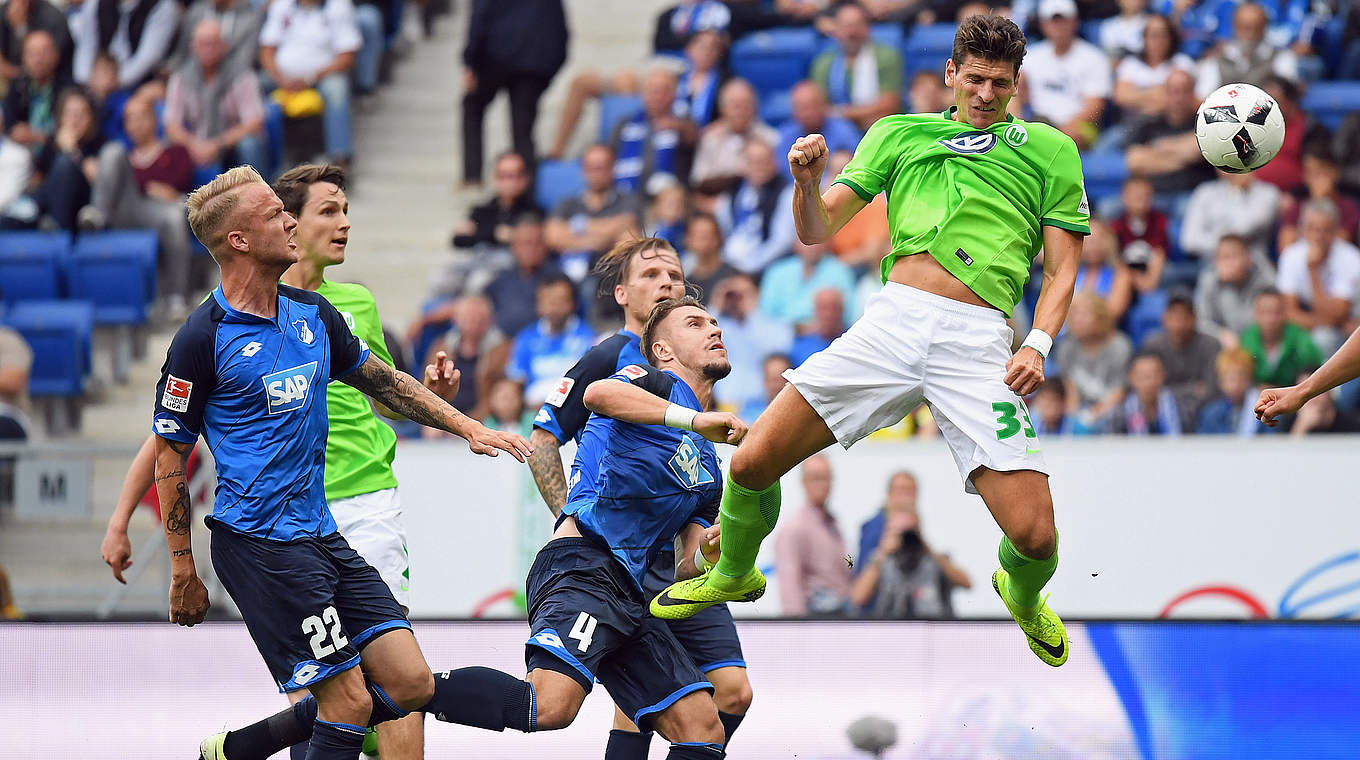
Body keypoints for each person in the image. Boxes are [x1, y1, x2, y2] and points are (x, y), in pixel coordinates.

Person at [654, 14, 1088, 669]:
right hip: (893, 323)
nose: (985, 94)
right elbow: (816, 229)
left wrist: (1038, 344)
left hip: (977, 342)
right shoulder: (898, 133)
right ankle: (734, 573)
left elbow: (1063, 269)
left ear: (1016, 82)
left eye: (999, 83)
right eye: (974, 79)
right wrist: (805, 183)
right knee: (749, 465)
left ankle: (1023, 598)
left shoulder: (1051, 149)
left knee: (1034, 534)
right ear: (951, 73)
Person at [148, 166, 528, 760]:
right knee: (348, 703)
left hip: (322, 533)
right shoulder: (202, 336)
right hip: (262, 546)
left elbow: (388, 384)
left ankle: (247, 746)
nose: (291, 221)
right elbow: (169, 454)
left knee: (410, 685)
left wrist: (468, 426)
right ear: (240, 241)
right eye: (277, 213)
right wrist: (181, 570)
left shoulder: (314, 315)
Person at [526, 239, 754, 758]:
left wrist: (724, 553)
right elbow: (544, 439)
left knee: (732, 694)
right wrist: (576, 520)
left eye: (674, 273)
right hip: (611, 549)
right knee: (637, 704)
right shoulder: (613, 357)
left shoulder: (695, 360)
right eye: (651, 274)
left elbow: (696, 470)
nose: (667, 282)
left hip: (670, 544)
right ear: (623, 293)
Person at [81, 96, 195, 313]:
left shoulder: (175, 152)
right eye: (129, 119)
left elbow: (184, 191)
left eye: (141, 117)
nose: (135, 124)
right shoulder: (120, 159)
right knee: (111, 150)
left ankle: (176, 296)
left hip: (160, 213)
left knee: (173, 214)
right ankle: (96, 217)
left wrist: (170, 194)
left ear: (154, 119)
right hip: (123, 211)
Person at [547, 28, 725, 162]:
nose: (706, 52)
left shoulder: (722, 83)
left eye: (712, 48)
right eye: (701, 46)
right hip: (654, 126)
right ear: (689, 49)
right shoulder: (680, 76)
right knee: (619, 79)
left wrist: (682, 126)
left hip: (690, 139)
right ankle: (557, 151)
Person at [460, 0, 568, 185]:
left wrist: (471, 61)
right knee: (523, 131)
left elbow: (479, 17)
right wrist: (548, 70)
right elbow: (561, 31)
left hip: (494, 58)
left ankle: (472, 176)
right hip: (533, 63)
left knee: (473, 109)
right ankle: (528, 188)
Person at [259, 0, 362, 166]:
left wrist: (310, 78)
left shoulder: (339, 6)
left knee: (337, 89)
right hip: (281, 77)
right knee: (252, 86)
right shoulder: (282, 5)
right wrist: (280, 78)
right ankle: (265, 165)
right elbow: (266, 50)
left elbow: (347, 55)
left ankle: (340, 159)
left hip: (321, 76)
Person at [164, 17, 269, 173]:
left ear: (224, 46)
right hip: (196, 144)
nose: (207, 50)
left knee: (249, 144)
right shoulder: (181, 77)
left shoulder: (243, 75)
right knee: (170, 148)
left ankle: (258, 192)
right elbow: (172, 126)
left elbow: (254, 123)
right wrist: (194, 145)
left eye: (212, 44)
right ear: (193, 46)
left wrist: (218, 144)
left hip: (232, 146)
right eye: (202, 44)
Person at [851, 488, 971, 618]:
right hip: (892, 631)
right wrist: (882, 552)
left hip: (932, 630)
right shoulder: (881, 561)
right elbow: (857, 598)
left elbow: (967, 583)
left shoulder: (934, 560)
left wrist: (926, 546)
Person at [545, 144, 644, 281]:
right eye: (590, 168)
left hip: (609, 276)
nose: (596, 174)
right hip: (566, 275)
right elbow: (553, 237)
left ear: (612, 168)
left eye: (601, 167)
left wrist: (576, 229)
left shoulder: (628, 200)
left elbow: (628, 236)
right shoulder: (567, 203)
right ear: (583, 170)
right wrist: (606, 238)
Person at [1020, 0, 1111, 149]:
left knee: (1071, 136)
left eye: (1063, 20)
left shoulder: (1094, 57)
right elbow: (1016, 91)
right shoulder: (1031, 56)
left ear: (1075, 22)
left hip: (1078, 126)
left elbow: (1095, 106)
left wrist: (1057, 131)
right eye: (1054, 21)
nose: (1058, 26)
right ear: (1044, 24)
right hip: (1038, 121)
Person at [1275, 198, 1360, 354]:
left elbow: (1337, 314)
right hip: (1314, 324)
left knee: (1322, 338)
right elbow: (1289, 312)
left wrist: (1313, 271)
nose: (1318, 236)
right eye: (1312, 228)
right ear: (1302, 229)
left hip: (1349, 328)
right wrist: (1323, 321)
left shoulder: (1351, 258)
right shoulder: (1291, 255)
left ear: (1335, 231)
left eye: (1324, 230)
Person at [808, 1, 902, 132]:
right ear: (836, 29)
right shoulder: (824, 62)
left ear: (868, 27)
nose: (852, 32)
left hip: (876, 128)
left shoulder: (886, 56)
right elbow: (818, 107)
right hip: (835, 131)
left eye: (857, 25)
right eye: (846, 26)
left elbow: (889, 105)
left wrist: (843, 113)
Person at [709, 272, 792, 418]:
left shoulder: (775, 325)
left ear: (757, 294)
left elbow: (777, 352)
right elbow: (701, 340)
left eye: (745, 293)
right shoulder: (722, 326)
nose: (739, 299)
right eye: (734, 294)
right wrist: (718, 304)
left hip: (762, 406)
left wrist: (752, 313)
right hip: (724, 407)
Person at [506, 274, 597, 407]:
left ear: (573, 304)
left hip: (572, 409)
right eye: (548, 301)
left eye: (560, 300)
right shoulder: (526, 338)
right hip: (531, 412)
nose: (554, 307)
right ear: (538, 305)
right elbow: (515, 382)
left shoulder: (588, 336)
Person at [1123, 69, 1214, 200]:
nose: (1179, 98)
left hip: (1191, 195)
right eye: (1174, 91)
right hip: (1151, 196)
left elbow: (1196, 150)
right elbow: (1135, 162)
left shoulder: (1203, 122)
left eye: (1185, 91)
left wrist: (1158, 149)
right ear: (1165, 94)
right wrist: (1183, 158)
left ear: (1193, 94)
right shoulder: (1149, 122)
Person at [1052, 292, 1132, 434]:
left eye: (1083, 315)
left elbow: (1119, 392)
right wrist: (1073, 418)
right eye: (1074, 315)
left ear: (1100, 317)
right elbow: (1070, 390)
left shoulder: (1119, 346)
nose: (1077, 320)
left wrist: (1093, 415)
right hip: (1082, 409)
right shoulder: (1066, 347)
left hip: (1112, 410)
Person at [610, 67, 697, 196]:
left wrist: (679, 126)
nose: (657, 97)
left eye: (663, 91)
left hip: (669, 200)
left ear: (674, 95)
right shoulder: (626, 124)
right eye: (652, 91)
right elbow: (610, 156)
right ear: (642, 95)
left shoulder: (684, 122)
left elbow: (694, 138)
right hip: (629, 198)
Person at [714, 139, 795, 275]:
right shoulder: (731, 194)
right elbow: (725, 230)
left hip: (767, 268)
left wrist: (750, 266)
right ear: (743, 164)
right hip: (730, 264)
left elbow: (782, 241)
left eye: (765, 161)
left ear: (775, 163)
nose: (760, 167)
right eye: (754, 162)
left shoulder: (786, 193)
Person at [1141, 293, 1221, 428]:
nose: (1178, 323)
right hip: (1160, 411)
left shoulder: (1210, 345)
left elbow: (1211, 390)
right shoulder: (1152, 345)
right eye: (1173, 317)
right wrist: (1192, 389)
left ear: (1194, 319)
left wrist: (1165, 392)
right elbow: (1146, 387)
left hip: (1201, 411)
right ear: (1164, 318)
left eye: (1184, 317)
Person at [689, 79, 777, 198]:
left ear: (755, 107)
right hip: (717, 205)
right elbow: (698, 182)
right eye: (735, 106)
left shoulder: (770, 137)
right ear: (723, 109)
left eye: (746, 105)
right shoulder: (710, 138)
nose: (741, 112)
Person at [1194, 1, 1298, 99]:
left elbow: (1289, 96)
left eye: (1256, 28)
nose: (1250, 35)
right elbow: (1203, 98)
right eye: (1245, 28)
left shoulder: (1281, 57)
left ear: (1264, 28)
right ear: (1234, 27)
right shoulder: (1216, 60)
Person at [482, 214, 564, 337]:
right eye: (526, 243)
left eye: (537, 243)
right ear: (514, 246)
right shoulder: (501, 279)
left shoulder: (557, 281)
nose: (531, 249)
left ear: (546, 246)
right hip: (501, 343)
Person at [1180, 169, 1280, 267]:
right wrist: (1225, 249)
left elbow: (1243, 229)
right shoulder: (1205, 192)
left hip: (1252, 267)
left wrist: (1238, 191)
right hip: (1208, 266)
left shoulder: (1268, 193)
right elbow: (1189, 241)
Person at [69, 0, 179, 89]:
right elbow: (85, 48)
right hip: (96, 82)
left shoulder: (162, 6)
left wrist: (113, 82)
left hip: (141, 85)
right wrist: (86, 80)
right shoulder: (96, 4)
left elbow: (148, 58)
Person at [1111, 14, 1195, 126]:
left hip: (1172, 126)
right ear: (1144, 38)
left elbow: (1191, 101)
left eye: (1163, 35)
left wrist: (1138, 94)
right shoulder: (1130, 64)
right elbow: (1121, 97)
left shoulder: (1183, 63)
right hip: (1131, 125)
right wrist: (1159, 91)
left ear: (1171, 38)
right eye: (1153, 35)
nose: (1158, 41)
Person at [450, 151, 540, 251]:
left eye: (516, 175)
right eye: (504, 176)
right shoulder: (481, 211)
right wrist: (495, 233)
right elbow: (458, 240)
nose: (510, 182)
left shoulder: (534, 212)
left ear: (526, 178)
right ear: (495, 178)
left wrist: (480, 232)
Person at [1194, 234, 1272, 348]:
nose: (1228, 263)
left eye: (1233, 256)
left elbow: (1273, 315)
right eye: (1223, 257)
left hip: (1260, 343)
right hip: (1225, 345)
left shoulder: (1265, 279)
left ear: (1248, 258)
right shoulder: (1209, 280)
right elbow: (1200, 321)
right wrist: (1220, 334)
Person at [759, 238, 856, 328]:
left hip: (824, 337)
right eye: (806, 239)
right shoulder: (777, 271)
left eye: (818, 239)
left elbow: (847, 316)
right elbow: (765, 314)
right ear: (795, 242)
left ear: (828, 242)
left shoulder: (840, 271)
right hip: (780, 335)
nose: (812, 245)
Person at [776, 81, 862, 180]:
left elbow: (858, 166)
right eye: (803, 108)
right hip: (795, 189)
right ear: (794, 111)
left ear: (824, 106)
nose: (808, 113)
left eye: (813, 106)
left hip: (835, 187)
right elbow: (783, 174)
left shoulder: (844, 130)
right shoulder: (785, 135)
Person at [1278, 147, 1360, 251]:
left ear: (1335, 173)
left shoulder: (1350, 209)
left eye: (1321, 172)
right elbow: (1286, 250)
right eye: (1310, 172)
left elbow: (1337, 246)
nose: (1316, 179)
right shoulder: (1294, 208)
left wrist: (1321, 202)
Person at [1240, 288, 1323, 389]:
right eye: (1265, 312)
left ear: (1285, 313)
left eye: (1276, 312)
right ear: (1256, 314)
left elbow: (1316, 373)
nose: (1271, 319)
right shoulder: (1246, 341)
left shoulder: (1301, 341)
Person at [3, 29, 70, 151]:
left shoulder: (68, 90)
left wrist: (38, 136)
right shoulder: (18, 87)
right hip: (22, 152)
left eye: (44, 53)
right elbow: (8, 123)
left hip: (56, 153)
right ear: (24, 58)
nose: (38, 60)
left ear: (56, 55)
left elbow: (72, 134)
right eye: (32, 54)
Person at [167, 0, 264, 75]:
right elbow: (181, 55)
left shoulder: (252, 18)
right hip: (190, 78)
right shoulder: (197, 11)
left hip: (232, 82)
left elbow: (244, 63)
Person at [0, 0, 73, 82]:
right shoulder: (5, 10)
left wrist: (20, 29)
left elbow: (44, 66)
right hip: (14, 79)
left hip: (52, 83)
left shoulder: (54, 17)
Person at [1195, 348, 1263, 435]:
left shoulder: (1263, 412)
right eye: (1230, 379)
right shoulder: (1210, 414)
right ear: (1220, 381)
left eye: (1242, 379)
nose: (1236, 385)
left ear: (1249, 379)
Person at [1111, 352, 1181, 434]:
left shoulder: (1182, 407)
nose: (1150, 382)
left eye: (1155, 375)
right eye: (1143, 377)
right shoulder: (1119, 413)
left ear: (1164, 375)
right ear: (1131, 378)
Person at [681, 212, 738, 301]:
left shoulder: (733, 277)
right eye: (698, 235)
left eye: (707, 235)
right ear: (687, 239)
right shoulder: (684, 285)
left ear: (719, 238)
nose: (703, 241)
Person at [789, 288, 847, 367]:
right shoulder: (800, 344)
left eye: (833, 308)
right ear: (814, 310)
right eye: (823, 308)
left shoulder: (853, 340)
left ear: (842, 310)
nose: (828, 314)